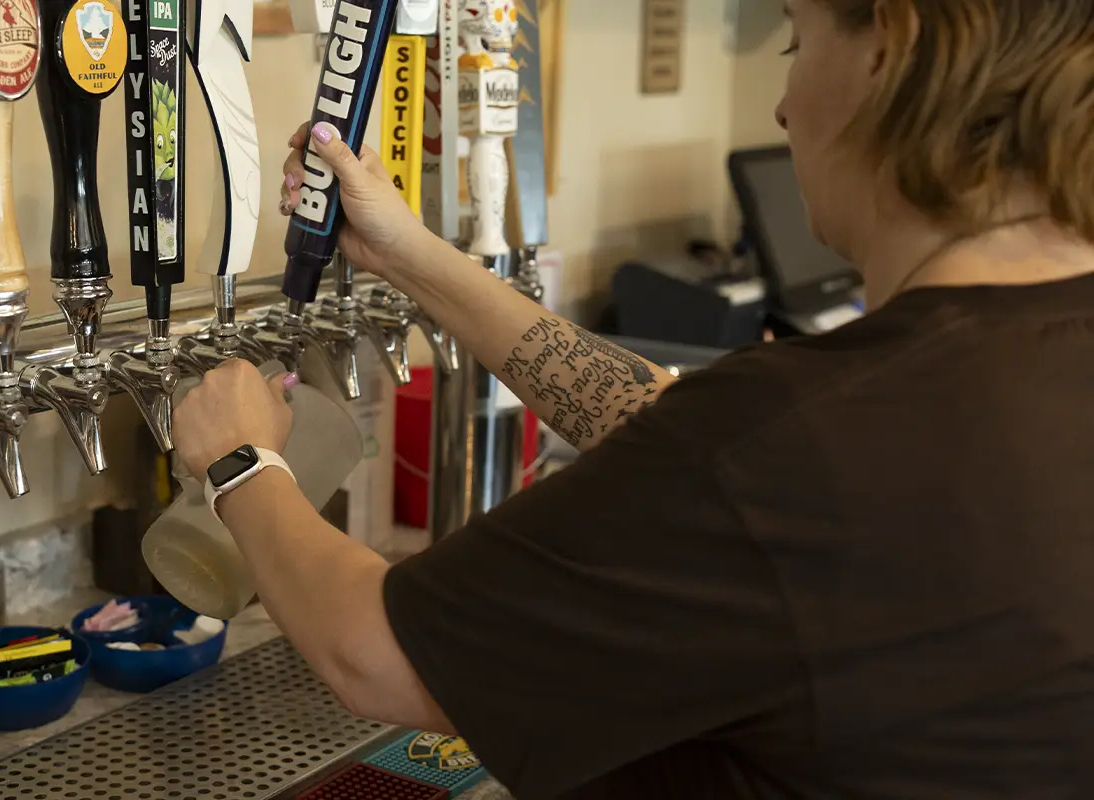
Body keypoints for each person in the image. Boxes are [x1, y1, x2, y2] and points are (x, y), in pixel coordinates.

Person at [171, 0, 1094, 796]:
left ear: (887, 49)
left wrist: (239, 461)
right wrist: (410, 254)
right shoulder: (1002, 368)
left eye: (794, 41)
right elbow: (669, 424)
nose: (781, 101)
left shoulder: (799, 442)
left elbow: (373, 653)